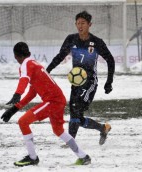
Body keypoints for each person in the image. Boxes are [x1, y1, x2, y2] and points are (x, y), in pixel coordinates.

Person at [1, 42, 91, 166]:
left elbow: (24, 79)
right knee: (58, 130)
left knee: (23, 122)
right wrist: (14, 108)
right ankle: (83, 156)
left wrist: (17, 94)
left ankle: (32, 157)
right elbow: (32, 93)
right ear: (29, 53)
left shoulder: (26, 64)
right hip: (58, 99)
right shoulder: (34, 64)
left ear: (16, 56)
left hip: (53, 101)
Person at [46, 11, 115, 145]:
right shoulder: (71, 39)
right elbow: (60, 56)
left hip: (90, 82)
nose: (80, 26)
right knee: (76, 116)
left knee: (76, 110)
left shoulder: (96, 42)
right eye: (78, 23)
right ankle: (103, 128)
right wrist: (47, 70)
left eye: (83, 23)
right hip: (76, 82)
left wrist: (109, 82)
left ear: (90, 24)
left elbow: (110, 60)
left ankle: (70, 142)